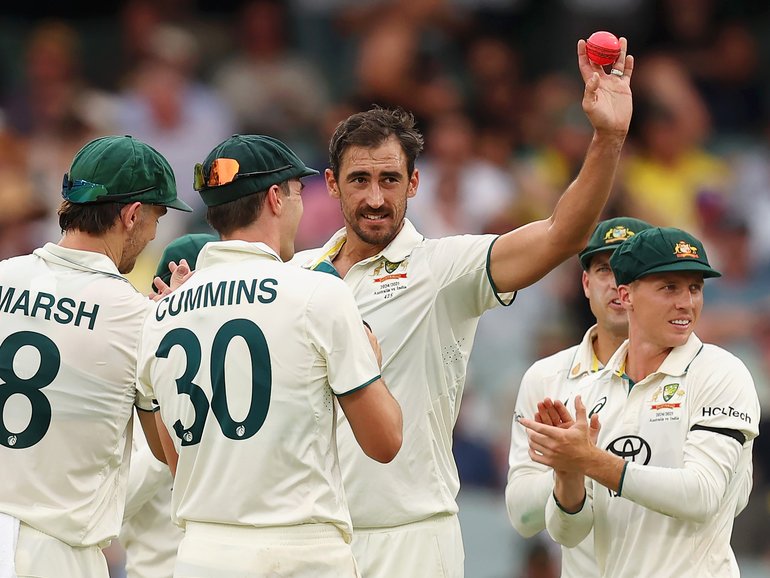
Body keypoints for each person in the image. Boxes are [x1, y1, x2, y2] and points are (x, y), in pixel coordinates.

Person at [291, 36, 635, 577]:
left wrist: (608, 138)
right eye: (359, 180)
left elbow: (561, 235)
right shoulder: (294, 276)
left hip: (411, 540)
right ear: (332, 184)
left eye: (390, 179)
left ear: (414, 183)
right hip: (313, 538)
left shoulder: (444, 268)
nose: (376, 198)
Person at [136, 134, 403, 578]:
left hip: (201, 554)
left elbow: (175, 461)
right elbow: (385, 442)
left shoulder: (159, 316)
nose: (301, 206)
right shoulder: (318, 293)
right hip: (301, 554)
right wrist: (370, 366)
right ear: (276, 198)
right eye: (298, 192)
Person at [0, 135, 192, 578]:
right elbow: (170, 453)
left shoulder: (3, 275)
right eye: (157, 217)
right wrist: (176, 323)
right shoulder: (139, 318)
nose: (153, 234)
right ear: (132, 215)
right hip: (54, 554)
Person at [520, 226, 760, 578]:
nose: (686, 302)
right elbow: (568, 533)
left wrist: (592, 460)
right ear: (626, 295)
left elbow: (703, 495)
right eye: (669, 287)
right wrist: (568, 473)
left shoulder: (721, 373)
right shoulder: (592, 391)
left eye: (695, 288)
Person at [506, 216, 652, 577]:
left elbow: (715, 496)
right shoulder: (545, 377)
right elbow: (521, 516)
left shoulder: (700, 370)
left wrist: (588, 462)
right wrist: (568, 466)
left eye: (630, 268)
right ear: (586, 284)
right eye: (605, 270)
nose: (617, 282)